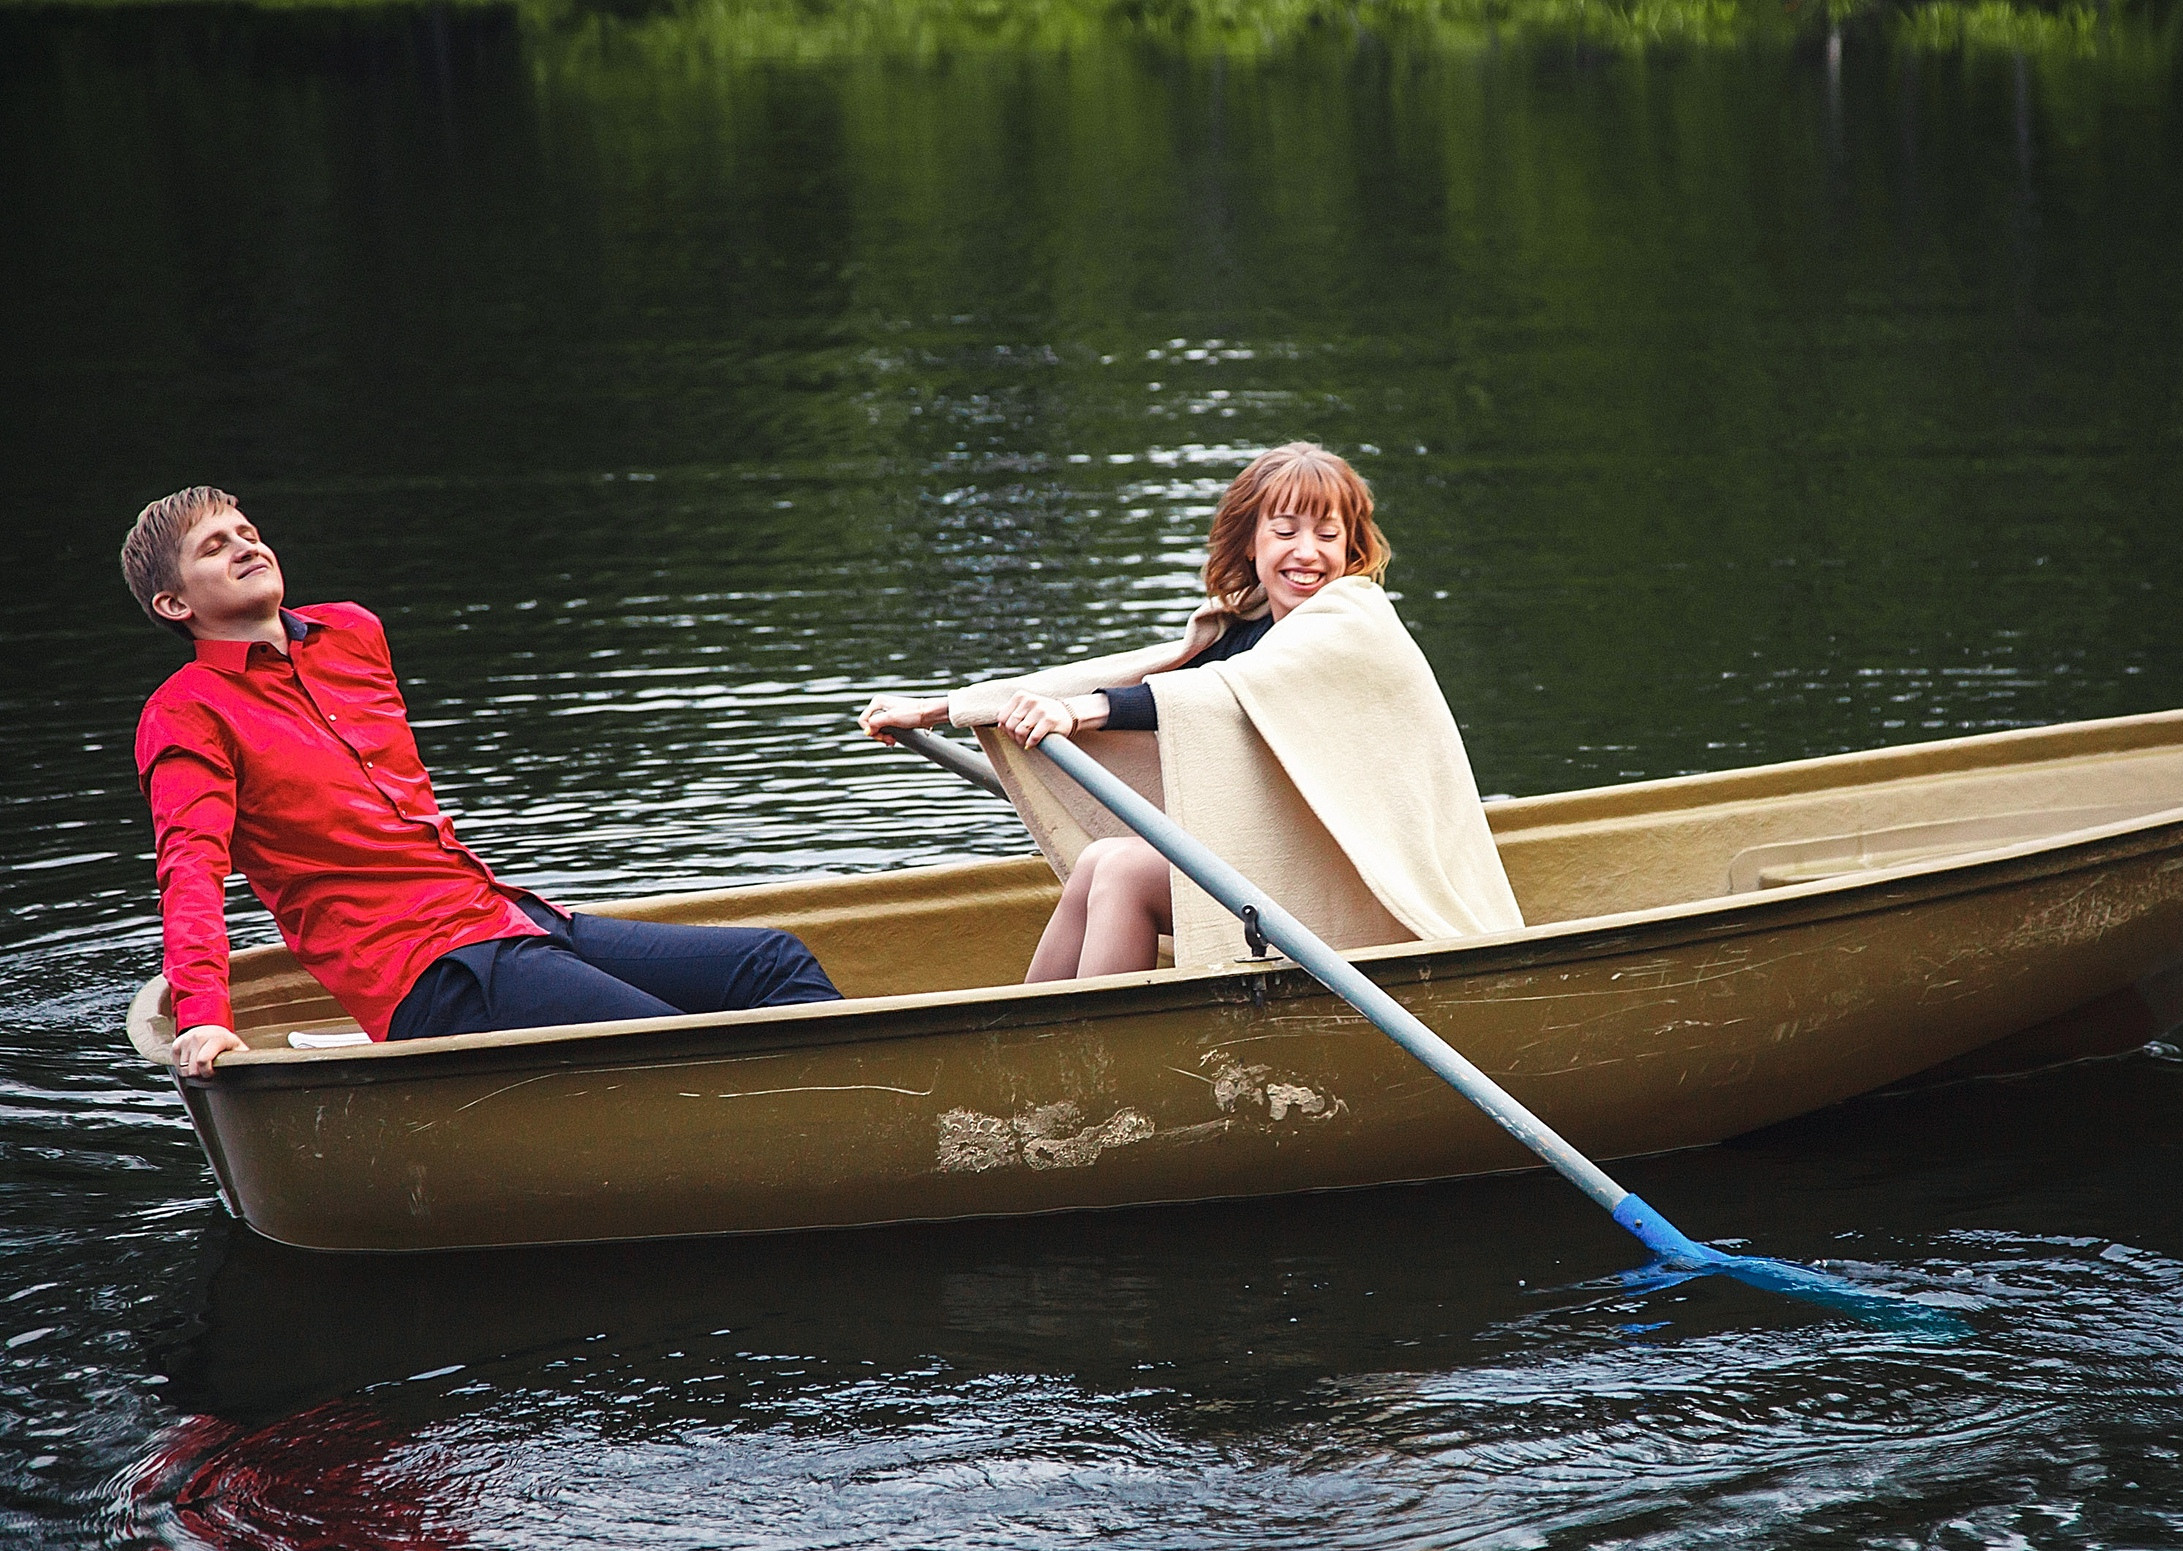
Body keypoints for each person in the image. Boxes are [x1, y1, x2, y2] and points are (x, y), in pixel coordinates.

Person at [125, 487, 842, 1078]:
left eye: (248, 533)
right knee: (674, 1043)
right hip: (426, 971)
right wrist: (205, 1016)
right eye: (214, 548)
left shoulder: (351, 634)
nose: (246, 547)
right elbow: (190, 870)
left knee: (773, 961)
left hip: (504, 915)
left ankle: (852, 1121)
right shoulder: (186, 712)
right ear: (174, 605)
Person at [862, 442, 1520, 980]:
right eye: (1285, 531)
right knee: (1099, 861)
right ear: (1251, 543)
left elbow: (1215, 695)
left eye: (1328, 534)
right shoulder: (1245, 627)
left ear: (1350, 548)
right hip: (1296, 873)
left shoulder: (1353, 621)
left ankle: (1097, 1067)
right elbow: (1131, 678)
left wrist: (1079, 715)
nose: (1307, 551)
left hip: (1371, 893)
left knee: (1123, 871)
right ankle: (1030, 1053)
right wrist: (938, 710)